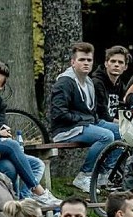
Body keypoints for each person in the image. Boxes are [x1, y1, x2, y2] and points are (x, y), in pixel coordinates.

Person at [50, 42, 121, 192]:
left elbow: (91, 112)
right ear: (73, 62)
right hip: (66, 129)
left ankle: (103, 175)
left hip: (85, 124)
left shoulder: (89, 82)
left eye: (89, 60)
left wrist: (92, 121)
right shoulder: (64, 82)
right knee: (106, 136)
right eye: (82, 60)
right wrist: (82, 120)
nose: (86, 63)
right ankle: (84, 175)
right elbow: (59, 113)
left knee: (122, 132)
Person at [0, 64, 58, 205]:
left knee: (34, 164)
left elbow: (2, 126)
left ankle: (22, 202)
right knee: (13, 146)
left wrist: (4, 132)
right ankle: (39, 192)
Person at [92, 45, 130, 123]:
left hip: (112, 122)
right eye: (113, 61)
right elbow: (101, 115)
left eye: (120, 62)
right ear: (106, 64)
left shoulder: (120, 85)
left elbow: (124, 108)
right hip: (98, 123)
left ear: (125, 67)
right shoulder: (97, 83)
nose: (116, 65)